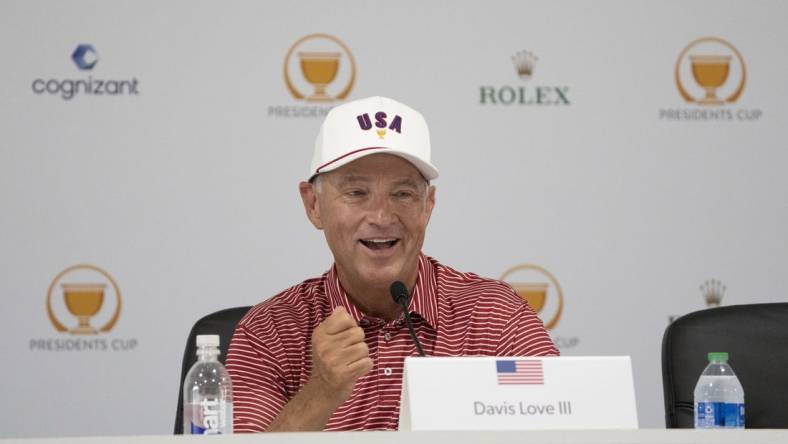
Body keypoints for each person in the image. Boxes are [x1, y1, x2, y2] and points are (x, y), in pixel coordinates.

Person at [225, 96, 558, 432]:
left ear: (428, 205)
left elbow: (566, 430)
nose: (382, 217)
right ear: (313, 205)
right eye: (356, 192)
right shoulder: (269, 332)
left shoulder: (495, 316)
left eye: (402, 194)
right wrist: (321, 392)